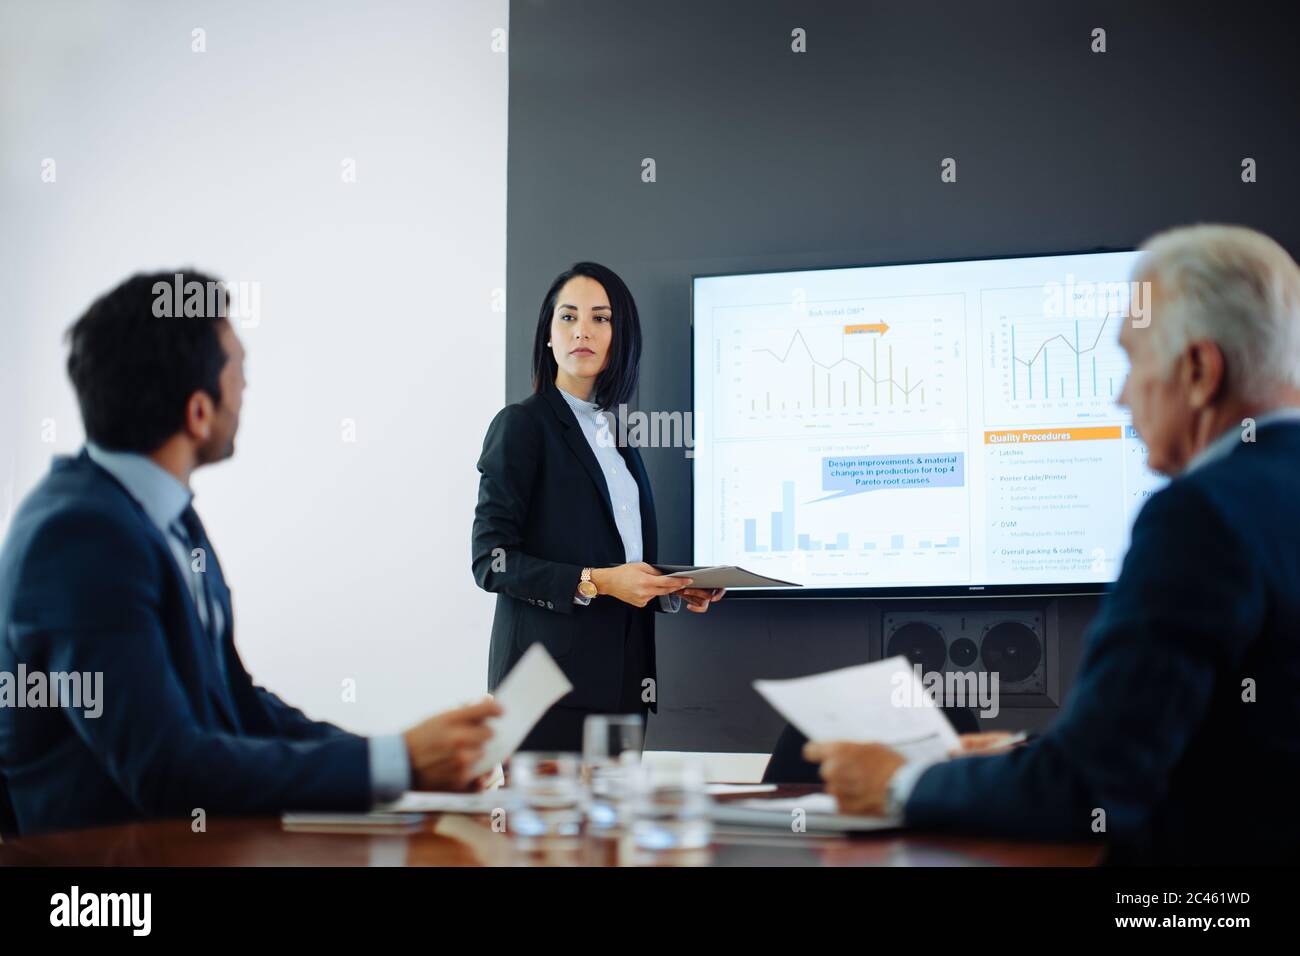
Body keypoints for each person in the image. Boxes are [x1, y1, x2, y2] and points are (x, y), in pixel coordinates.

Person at [805, 224, 1300, 863]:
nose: (1120, 397)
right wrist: (1032, 756)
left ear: (1200, 370)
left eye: (1132, 360)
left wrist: (896, 782)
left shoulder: (1201, 516)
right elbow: (1214, 740)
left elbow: (1089, 792)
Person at [0, 271, 500, 836]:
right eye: (239, 371)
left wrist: (401, 760)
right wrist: (399, 762)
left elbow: (237, 704)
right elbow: (168, 769)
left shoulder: (163, 515)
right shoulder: (78, 538)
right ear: (198, 411)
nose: (246, 389)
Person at [472, 262, 723, 752]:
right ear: (547, 336)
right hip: (544, 691)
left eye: (600, 318)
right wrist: (601, 580)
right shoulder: (522, 426)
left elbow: (621, 562)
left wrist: (670, 589)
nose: (582, 330)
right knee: (548, 831)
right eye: (567, 317)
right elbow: (491, 562)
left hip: (623, 684)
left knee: (611, 832)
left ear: (618, 337)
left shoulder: (616, 436)